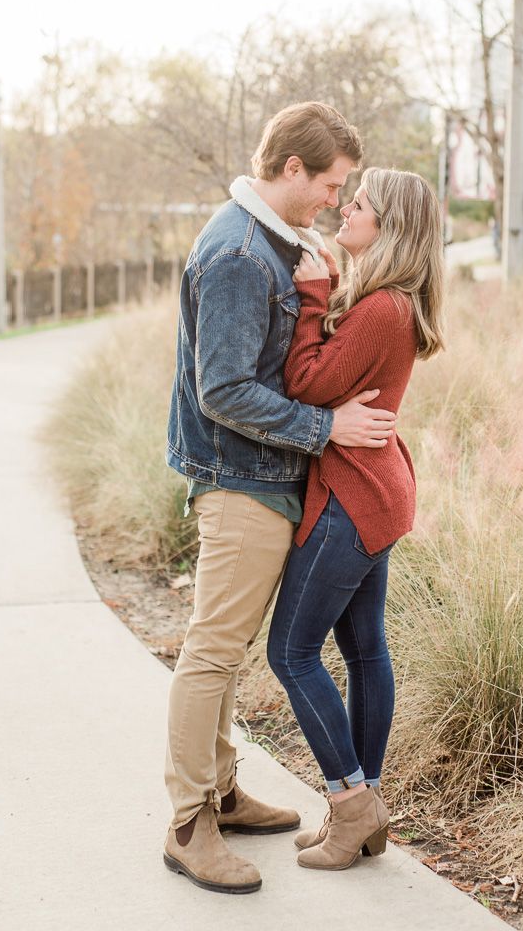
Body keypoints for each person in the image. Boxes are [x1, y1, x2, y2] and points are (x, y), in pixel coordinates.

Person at [163, 102, 399, 896]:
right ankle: (188, 822)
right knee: (211, 652)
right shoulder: (237, 254)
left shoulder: (270, 241)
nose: (335, 200)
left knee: (225, 654)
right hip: (239, 483)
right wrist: (326, 423)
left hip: (261, 477)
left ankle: (223, 791)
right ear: (291, 169)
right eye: (330, 184)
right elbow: (224, 389)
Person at [267, 167, 445, 871]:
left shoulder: (379, 310)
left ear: (388, 227)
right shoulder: (392, 302)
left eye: (360, 205)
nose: (345, 209)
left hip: (352, 498)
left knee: (291, 653)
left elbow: (304, 384)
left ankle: (349, 804)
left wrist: (312, 290)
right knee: (364, 648)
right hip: (378, 490)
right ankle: (366, 807)